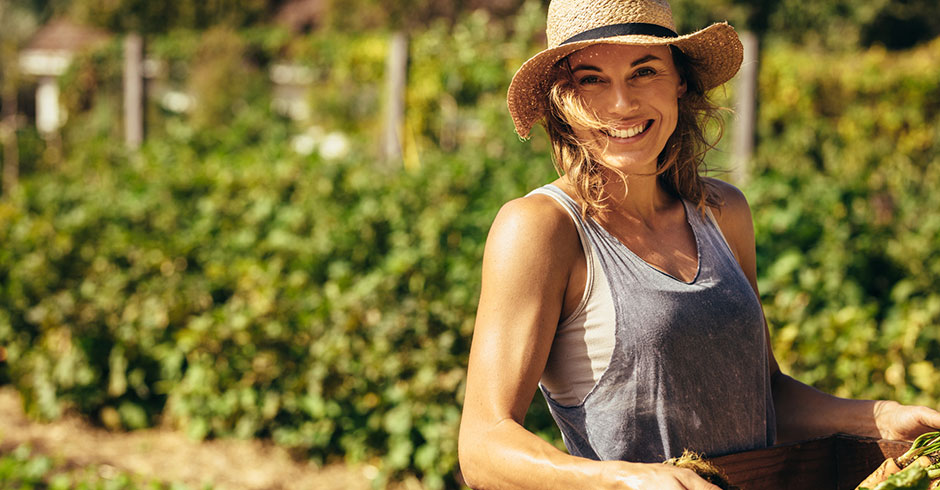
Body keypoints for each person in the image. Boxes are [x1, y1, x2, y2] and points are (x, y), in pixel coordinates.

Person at [456, 0, 940, 488]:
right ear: (563, 99)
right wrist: (626, 481)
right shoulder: (544, 228)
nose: (621, 104)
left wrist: (878, 417)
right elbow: (482, 447)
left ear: (679, 81)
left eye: (644, 71)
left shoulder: (723, 213)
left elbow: (764, 394)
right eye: (591, 79)